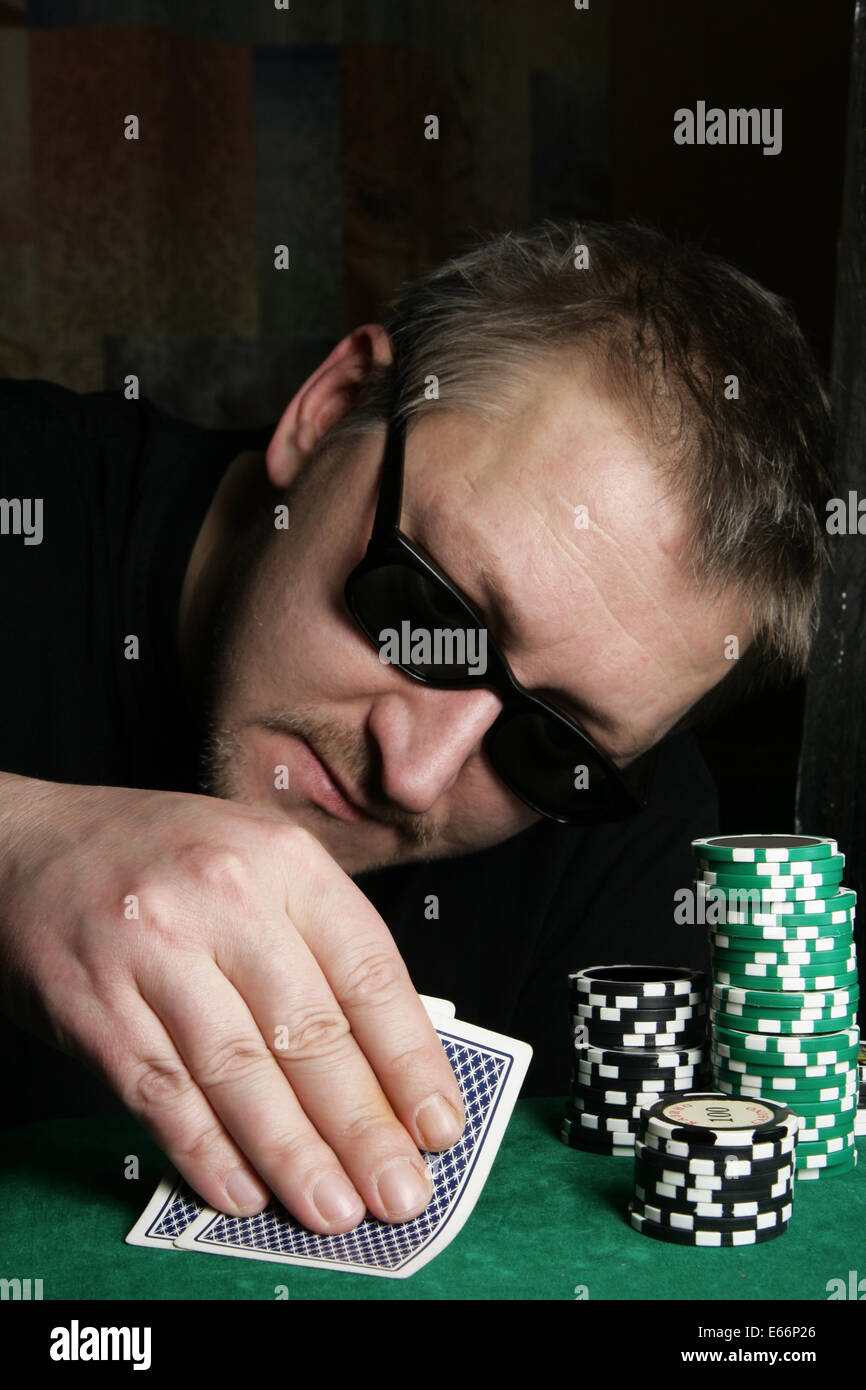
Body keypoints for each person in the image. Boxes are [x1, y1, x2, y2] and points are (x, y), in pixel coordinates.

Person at [0, 220, 833, 1234]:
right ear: (333, 407)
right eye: (429, 615)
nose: (415, 769)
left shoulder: (629, 840)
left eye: (550, 745)